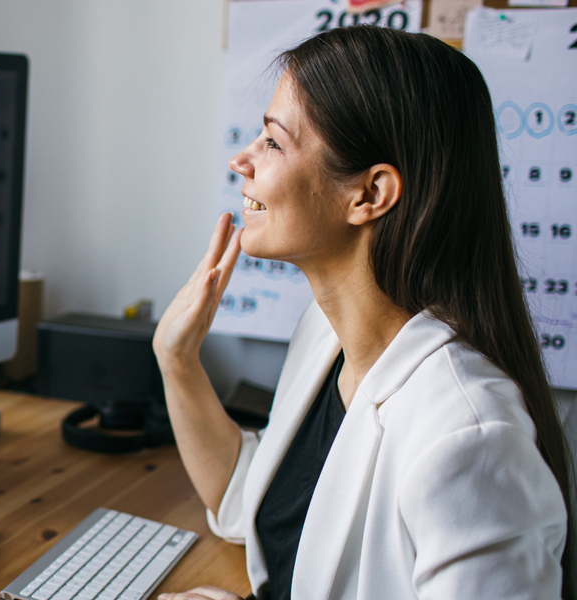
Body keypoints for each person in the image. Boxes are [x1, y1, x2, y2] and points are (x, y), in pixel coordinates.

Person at [153, 27, 572, 600]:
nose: (242, 159)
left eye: (273, 143)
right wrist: (176, 359)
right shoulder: (326, 335)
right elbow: (254, 507)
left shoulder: (469, 436)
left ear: (370, 194)